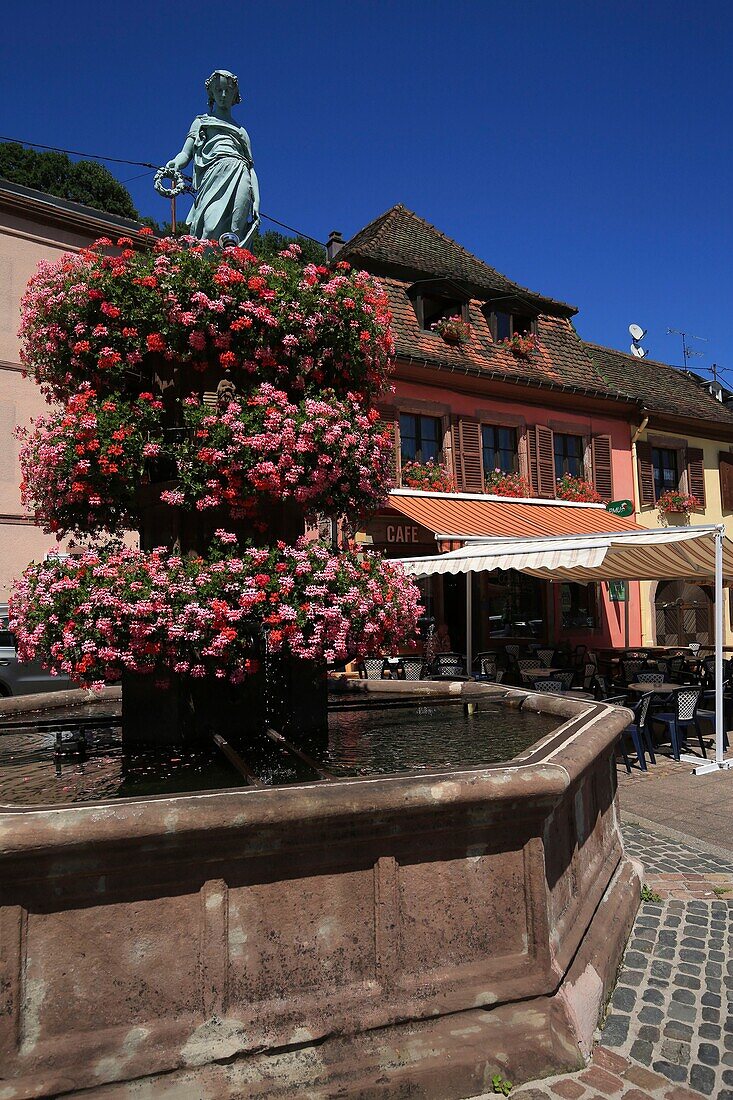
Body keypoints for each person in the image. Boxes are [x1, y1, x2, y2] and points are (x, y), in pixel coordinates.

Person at [164, 70, 260, 244]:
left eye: (228, 91)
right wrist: (176, 162)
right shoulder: (201, 122)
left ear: (234, 95)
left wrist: (257, 199)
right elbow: (186, 153)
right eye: (219, 90)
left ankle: (233, 268)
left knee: (235, 232)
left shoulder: (241, 131)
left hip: (240, 175)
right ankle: (204, 267)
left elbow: (251, 167)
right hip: (213, 176)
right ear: (212, 93)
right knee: (209, 228)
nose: (223, 95)